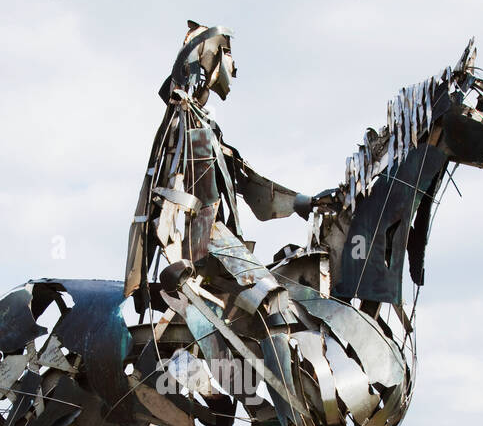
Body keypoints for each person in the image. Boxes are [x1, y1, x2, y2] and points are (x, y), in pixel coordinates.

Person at [124, 21, 335, 315]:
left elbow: (248, 181)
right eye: (229, 58)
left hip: (219, 241)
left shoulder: (207, 127)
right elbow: (166, 189)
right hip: (206, 242)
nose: (233, 69)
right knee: (271, 298)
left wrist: (303, 203)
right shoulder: (184, 119)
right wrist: (175, 252)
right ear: (212, 57)